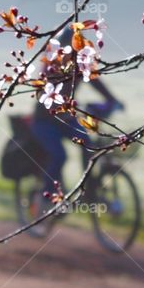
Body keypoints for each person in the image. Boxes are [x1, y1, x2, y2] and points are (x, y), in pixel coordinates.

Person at [31, 28, 122, 196]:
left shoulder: (81, 65)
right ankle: (47, 195)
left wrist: (112, 100)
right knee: (59, 156)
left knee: (87, 145)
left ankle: (87, 188)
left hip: (66, 118)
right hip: (44, 121)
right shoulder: (51, 66)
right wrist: (61, 109)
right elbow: (42, 92)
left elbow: (94, 81)